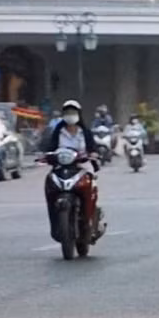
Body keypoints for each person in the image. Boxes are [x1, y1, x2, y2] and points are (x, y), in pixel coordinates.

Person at [44, 100, 106, 240]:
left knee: (89, 186)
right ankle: (55, 222)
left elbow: (93, 148)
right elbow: (50, 148)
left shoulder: (84, 131)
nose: (70, 115)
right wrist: (47, 155)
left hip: (82, 166)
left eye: (73, 112)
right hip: (61, 167)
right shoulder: (58, 131)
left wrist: (94, 154)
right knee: (50, 183)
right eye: (67, 112)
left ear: (79, 114)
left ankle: (90, 218)